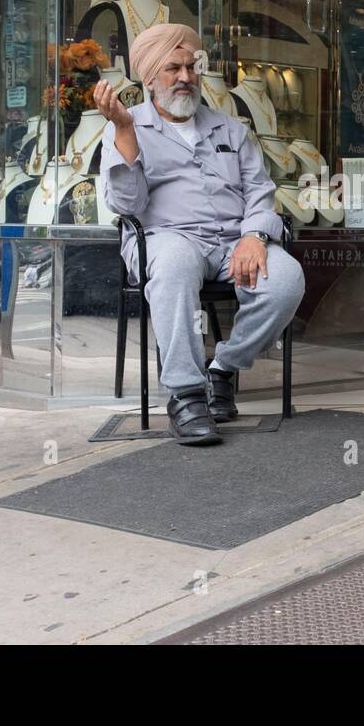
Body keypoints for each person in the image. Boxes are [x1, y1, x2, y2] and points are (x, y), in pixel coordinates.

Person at [95, 23, 305, 445]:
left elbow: (261, 194)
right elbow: (126, 206)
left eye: (191, 66)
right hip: (166, 238)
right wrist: (122, 131)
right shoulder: (127, 125)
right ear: (150, 76)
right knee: (174, 264)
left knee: (286, 281)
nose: (186, 78)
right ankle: (186, 395)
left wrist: (254, 237)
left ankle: (223, 369)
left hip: (233, 243)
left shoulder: (232, 129)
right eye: (173, 68)